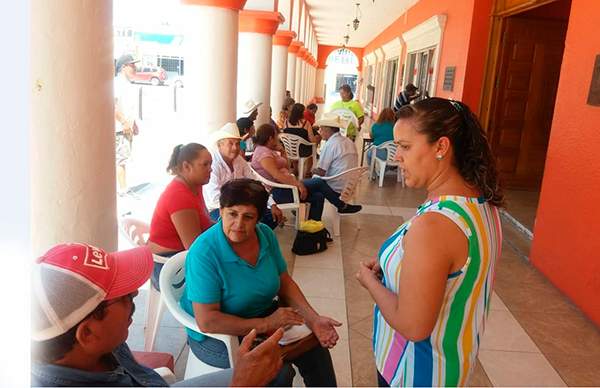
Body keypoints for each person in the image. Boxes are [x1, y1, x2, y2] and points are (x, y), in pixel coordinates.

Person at [356, 98, 505, 387]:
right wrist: (395, 264)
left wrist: (369, 281)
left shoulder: (435, 225)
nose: (397, 156)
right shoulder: (480, 204)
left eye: (406, 146)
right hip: (450, 366)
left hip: (413, 373)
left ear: (440, 147)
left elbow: (414, 326)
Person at [30, 243, 285, 387]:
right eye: (125, 296)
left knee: (276, 371)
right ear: (87, 333)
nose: (135, 296)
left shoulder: (97, 344)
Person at [180, 179, 342, 386]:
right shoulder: (204, 252)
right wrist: (267, 323)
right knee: (278, 372)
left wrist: (314, 319)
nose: (238, 224)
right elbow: (208, 321)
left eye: (248, 217)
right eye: (232, 214)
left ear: (258, 219)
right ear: (220, 211)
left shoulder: (264, 234)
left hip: (260, 316)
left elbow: (285, 282)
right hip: (218, 336)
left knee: (316, 345)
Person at [251, 124, 361, 221]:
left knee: (319, 196)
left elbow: (286, 167)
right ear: (271, 138)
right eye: (276, 136)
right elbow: (277, 175)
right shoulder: (263, 153)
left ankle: (313, 231)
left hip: (286, 186)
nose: (277, 139)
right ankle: (342, 206)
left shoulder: (269, 150)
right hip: (279, 191)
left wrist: (283, 151)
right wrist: (298, 184)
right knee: (318, 182)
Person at [147, 143, 213, 291]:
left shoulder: (195, 186)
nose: (210, 169)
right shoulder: (179, 195)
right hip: (167, 266)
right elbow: (194, 248)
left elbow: (206, 224)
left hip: (179, 257)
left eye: (210, 164)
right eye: (205, 164)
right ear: (186, 166)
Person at [204, 122, 284, 229]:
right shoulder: (213, 164)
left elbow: (256, 182)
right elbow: (215, 199)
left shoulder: (239, 160)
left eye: (237, 143)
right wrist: (245, 203)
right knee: (245, 223)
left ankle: (253, 242)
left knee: (272, 216)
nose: (235, 148)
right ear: (219, 145)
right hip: (217, 209)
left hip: (240, 206)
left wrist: (272, 204)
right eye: (230, 143)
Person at [304, 113, 362, 214]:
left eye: (321, 129)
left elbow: (321, 172)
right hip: (349, 187)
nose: (319, 131)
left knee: (313, 182)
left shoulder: (330, 145)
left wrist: (313, 170)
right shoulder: (349, 142)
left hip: (335, 187)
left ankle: (303, 211)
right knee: (317, 193)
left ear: (329, 131)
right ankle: (309, 216)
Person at [114, 54, 141, 199]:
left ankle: (123, 187)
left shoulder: (127, 85)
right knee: (121, 158)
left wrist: (133, 123)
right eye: (132, 65)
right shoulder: (118, 84)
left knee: (123, 157)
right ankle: (123, 189)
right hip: (120, 129)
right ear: (123, 67)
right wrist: (123, 122)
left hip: (126, 128)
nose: (135, 68)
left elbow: (127, 107)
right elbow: (111, 105)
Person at [283, 103, 320, 178]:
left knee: (294, 144)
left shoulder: (286, 122)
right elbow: (312, 140)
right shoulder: (306, 123)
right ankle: (307, 171)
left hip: (289, 150)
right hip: (303, 151)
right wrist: (317, 139)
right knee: (312, 147)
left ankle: (295, 169)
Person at [366, 107, 396, 174]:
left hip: (380, 152)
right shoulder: (395, 126)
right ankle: (381, 173)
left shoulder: (376, 125)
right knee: (389, 160)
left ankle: (372, 173)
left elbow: (371, 136)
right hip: (393, 153)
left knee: (368, 154)